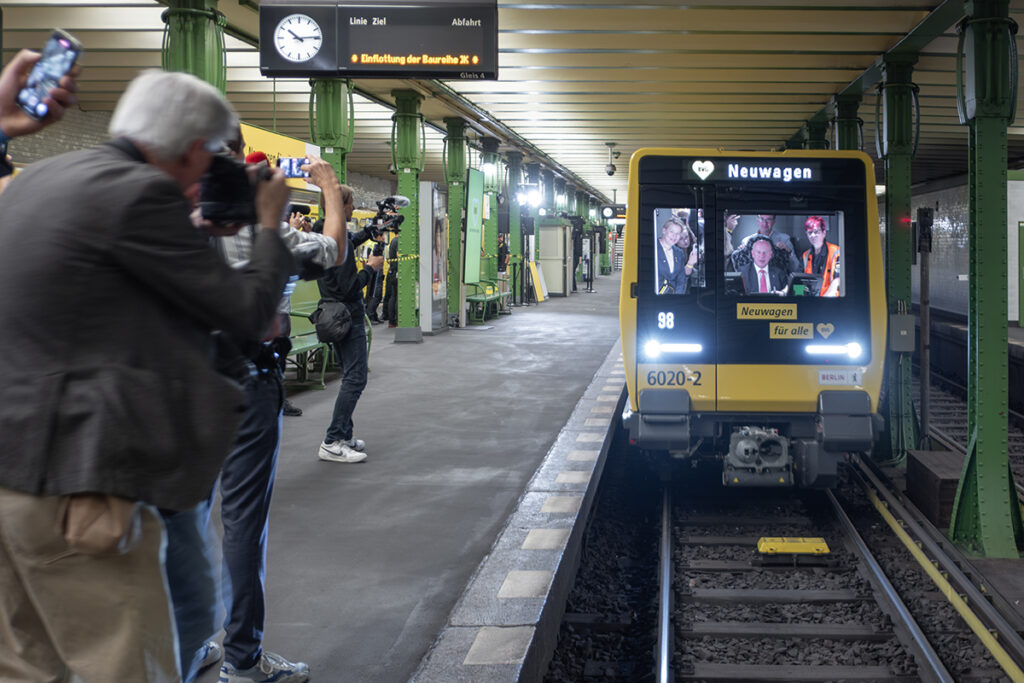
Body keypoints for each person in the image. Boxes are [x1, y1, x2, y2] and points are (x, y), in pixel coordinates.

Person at [0, 69, 294, 682]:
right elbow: (251, 314)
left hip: (11, 478)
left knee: (32, 667)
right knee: (129, 665)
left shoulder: (45, 177)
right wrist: (269, 223)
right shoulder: (141, 194)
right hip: (75, 487)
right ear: (194, 150)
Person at [166, 138, 348, 682]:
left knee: (188, 519)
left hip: (182, 385)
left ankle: (189, 646)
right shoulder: (265, 230)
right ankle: (243, 660)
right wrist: (331, 189)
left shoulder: (168, 223)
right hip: (247, 383)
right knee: (243, 523)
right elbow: (332, 249)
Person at [317, 191, 385, 463]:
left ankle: (344, 434)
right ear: (338, 206)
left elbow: (347, 242)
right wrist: (370, 268)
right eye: (350, 203)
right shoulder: (336, 236)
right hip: (347, 315)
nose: (354, 207)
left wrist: (368, 232)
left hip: (332, 314)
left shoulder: (326, 232)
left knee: (350, 376)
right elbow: (348, 287)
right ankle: (333, 440)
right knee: (356, 378)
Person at [801, 215, 841, 297]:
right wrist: (799, 298)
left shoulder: (836, 252)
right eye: (809, 232)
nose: (813, 235)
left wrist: (823, 301)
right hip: (811, 302)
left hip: (832, 303)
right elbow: (798, 281)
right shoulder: (805, 255)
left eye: (816, 232)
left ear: (824, 233)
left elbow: (838, 281)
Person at [655, 216, 696, 294]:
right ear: (664, 230)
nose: (674, 236)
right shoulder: (654, 248)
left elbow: (681, 280)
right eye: (672, 232)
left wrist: (676, 298)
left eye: (678, 233)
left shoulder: (679, 253)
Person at [673, 216, 700, 288]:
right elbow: (680, 275)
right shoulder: (674, 253)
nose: (685, 241)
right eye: (681, 239)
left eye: (686, 237)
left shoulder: (694, 248)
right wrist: (690, 263)